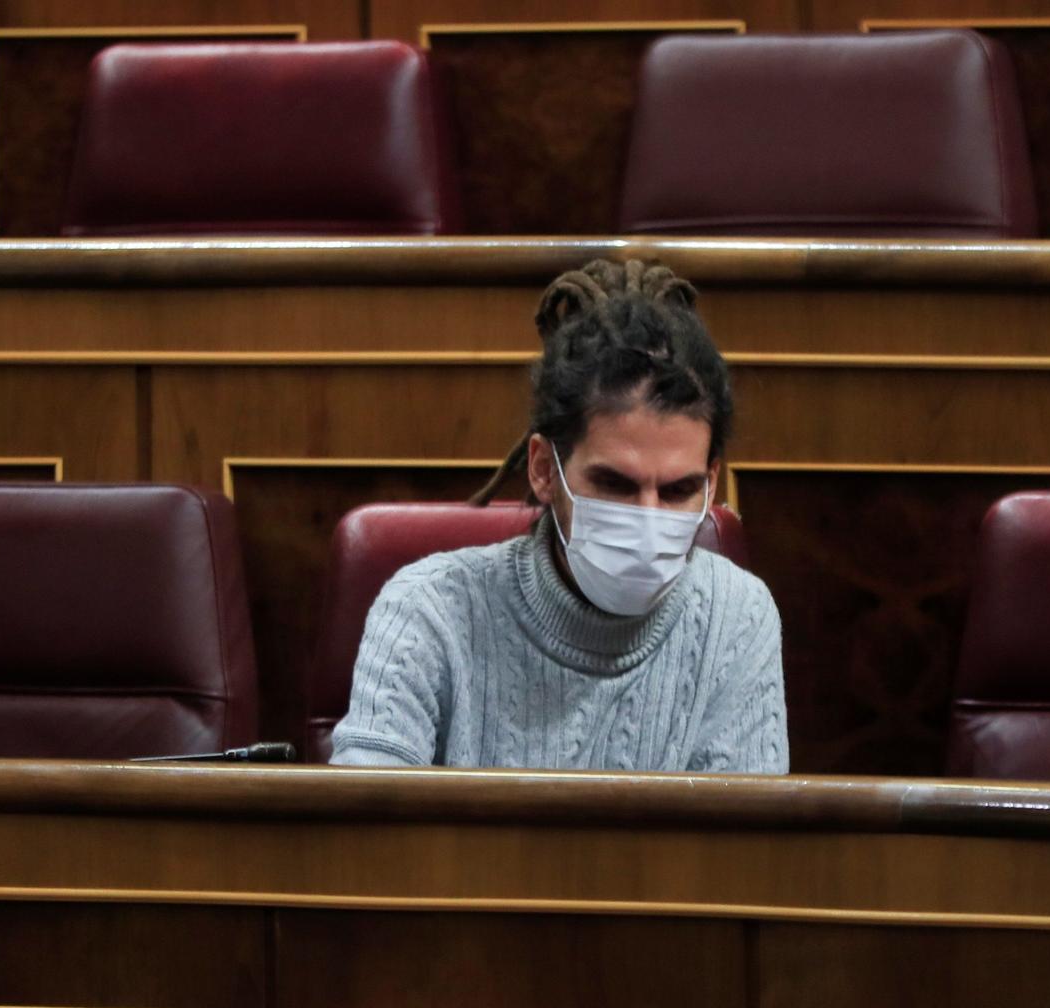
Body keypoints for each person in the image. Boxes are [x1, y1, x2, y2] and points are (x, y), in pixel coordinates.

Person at [329, 258, 788, 773]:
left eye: (680, 489)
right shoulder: (425, 613)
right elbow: (366, 845)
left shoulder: (738, 617)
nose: (648, 517)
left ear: (713, 482)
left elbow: (740, 851)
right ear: (545, 469)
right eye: (615, 484)